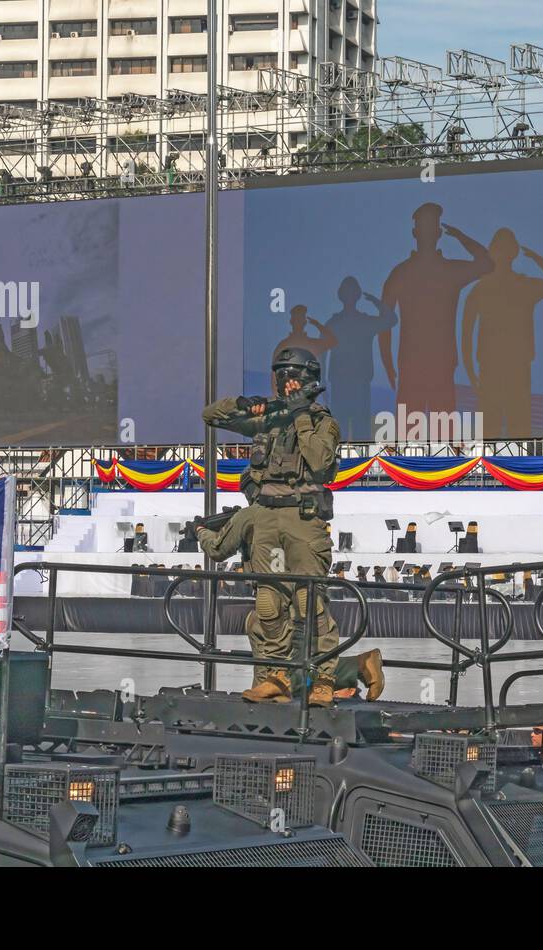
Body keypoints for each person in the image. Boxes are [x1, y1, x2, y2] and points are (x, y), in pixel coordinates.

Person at [203, 346, 343, 706]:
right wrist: (244, 404)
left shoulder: (321, 421)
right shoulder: (269, 419)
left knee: (308, 601)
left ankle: (324, 679)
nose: (286, 382)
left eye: (292, 375)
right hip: (266, 516)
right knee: (268, 602)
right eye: (281, 374)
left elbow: (320, 464)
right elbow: (211, 415)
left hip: (302, 518)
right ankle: (276, 675)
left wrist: (299, 416)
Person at [379, 203, 493, 416]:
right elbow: (384, 321)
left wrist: (461, 237)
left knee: (442, 436)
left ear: (439, 233)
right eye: (424, 228)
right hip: (412, 366)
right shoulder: (403, 273)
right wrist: (387, 363)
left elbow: (488, 265)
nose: (428, 233)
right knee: (409, 436)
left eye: (431, 228)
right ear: (415, 232)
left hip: (440, 365)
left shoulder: (448, 270)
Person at [460, 229, 543, 437]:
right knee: (494, 432)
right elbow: (466, 335)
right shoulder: (483, 289)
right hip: (492, 370)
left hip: (515, 370)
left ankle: (515, 467)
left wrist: (471, 373)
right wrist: (471, 374)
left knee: (517, 431)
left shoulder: (521, 286)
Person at [322, 277, 397, 438]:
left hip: (359, 385)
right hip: (340, 385)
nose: (349, 296)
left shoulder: (364, 322)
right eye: (347, 292)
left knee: (360, 434)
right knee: (339, 434)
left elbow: (391, 320)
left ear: (356, 295)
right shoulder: (334, 323)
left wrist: (378, 303)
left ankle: (359, 462)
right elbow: (322, 353)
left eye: (351, 292)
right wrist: (321, 383)